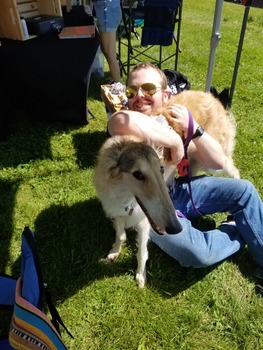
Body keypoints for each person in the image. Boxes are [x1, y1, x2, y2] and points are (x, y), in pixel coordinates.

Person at [107, 62, 263, 288]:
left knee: (245, 191)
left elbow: (218, 161)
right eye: (132, 91)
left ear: (167, 93)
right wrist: (173, 142)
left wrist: (195, 129)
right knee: (197, 254)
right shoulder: (127, 124)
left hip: (178, 190)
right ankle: (236, 227)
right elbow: (117, 121)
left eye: (149, 89)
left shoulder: (170, 121)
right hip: (148, 204)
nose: (139, 96)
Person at [92, 0, 122, 83]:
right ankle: (116, 82)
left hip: (107, 13)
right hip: (107, 10)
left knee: (109, 53)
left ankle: (118, 86)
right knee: (106, 50)